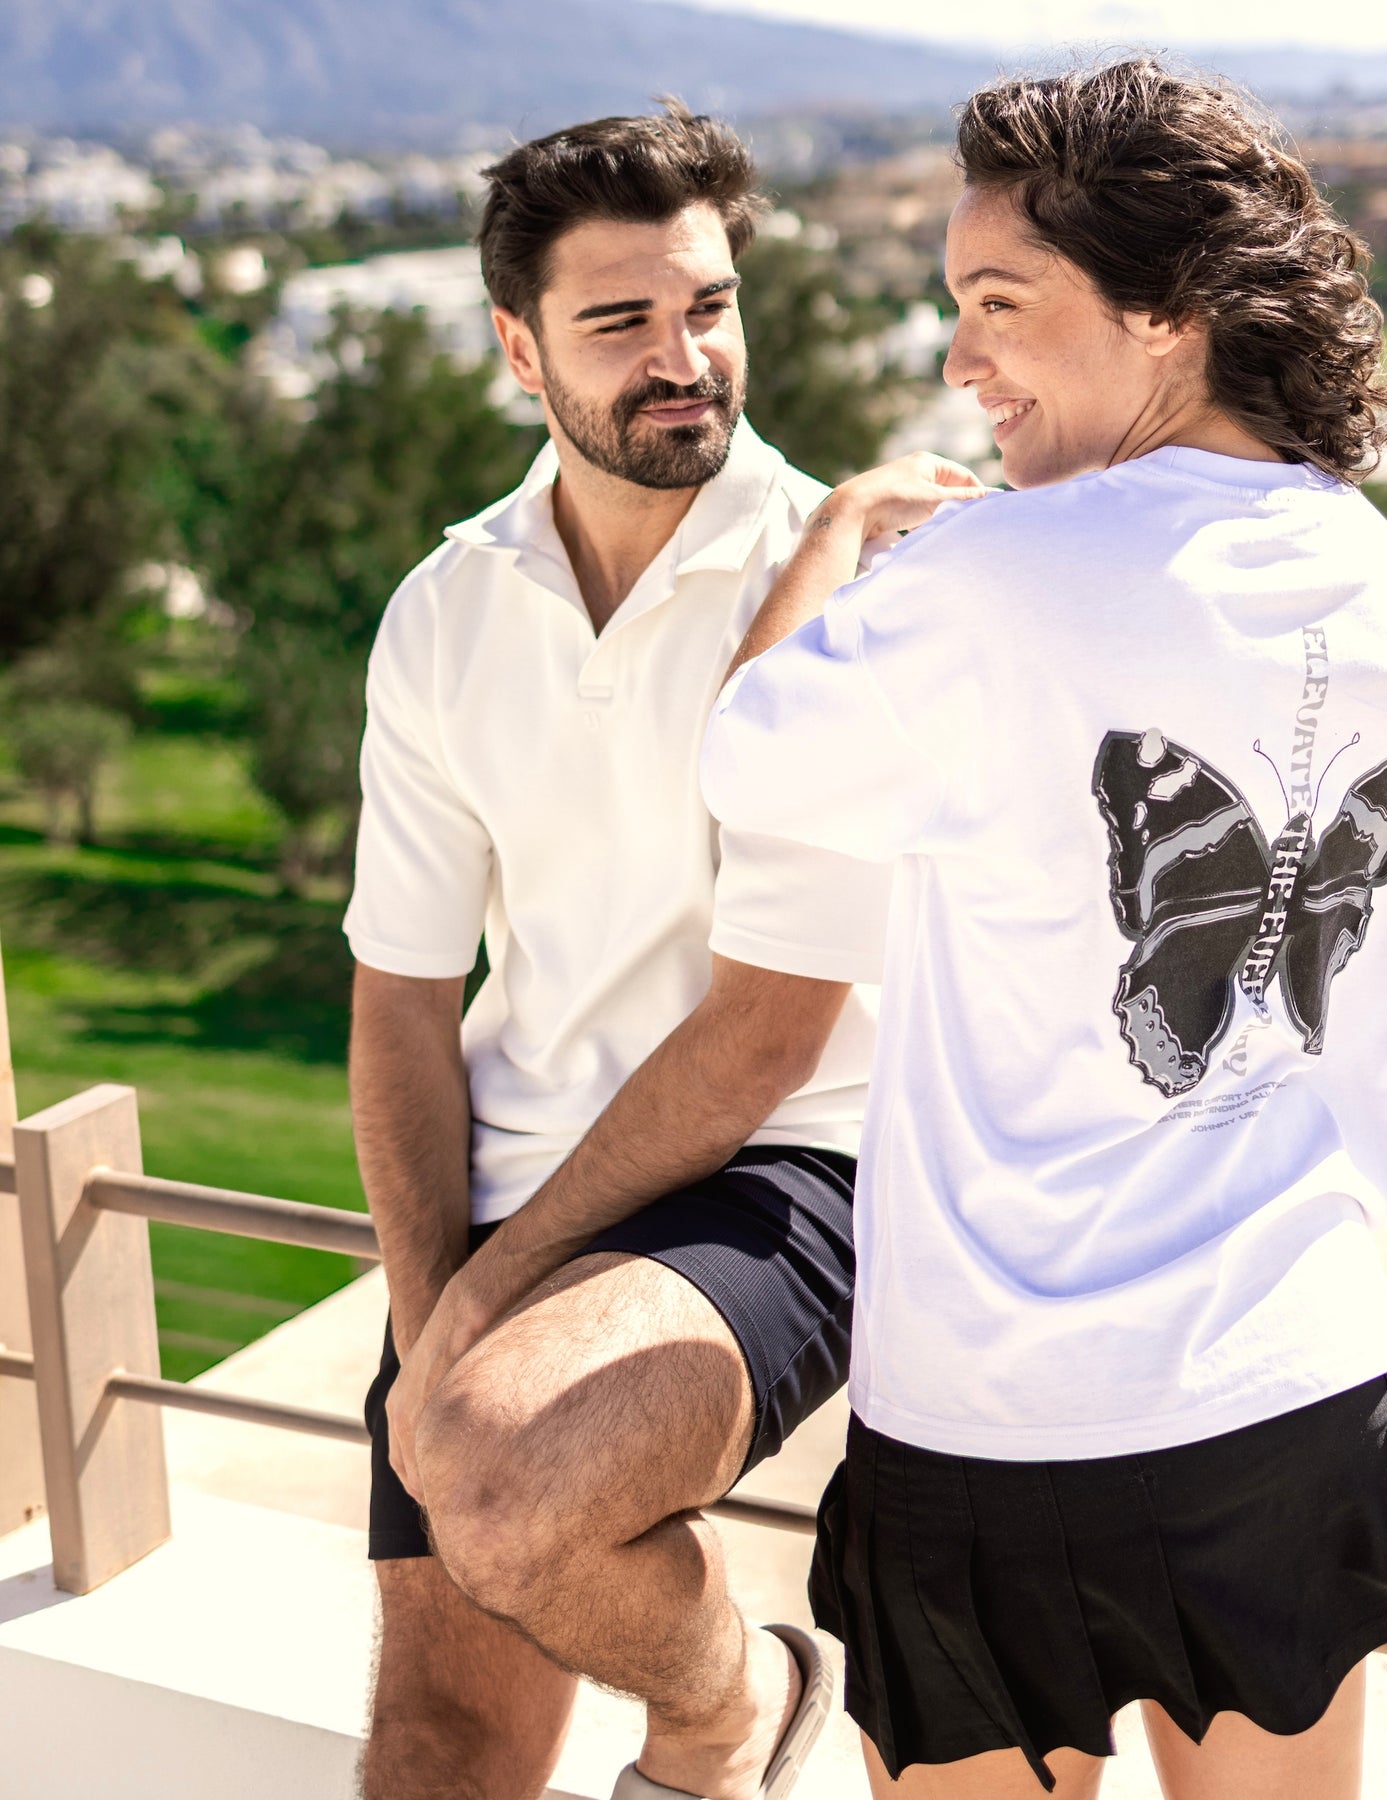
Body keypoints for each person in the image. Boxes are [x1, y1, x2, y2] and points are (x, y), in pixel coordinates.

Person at [701, 60, 1387, 1800]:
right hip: (1291, 1396)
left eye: (1000, 303)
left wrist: (839, 531)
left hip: (992, 1421)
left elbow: (747, 760)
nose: (962, 360)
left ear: (1171, 309)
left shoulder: (984, 576)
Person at [343, 107, 952, 1800]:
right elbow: (403, 996)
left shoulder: (858, 582)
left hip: (785, 1170)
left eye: (710, 305)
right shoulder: (446, 609)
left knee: (506, 1475)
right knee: (434, 1751)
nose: (684, 359)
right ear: (518, 349)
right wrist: (433, 1310)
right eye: (621, 321)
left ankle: (732, 1704)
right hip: (513, 1188)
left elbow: (770, 1036)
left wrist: (476, 1317)